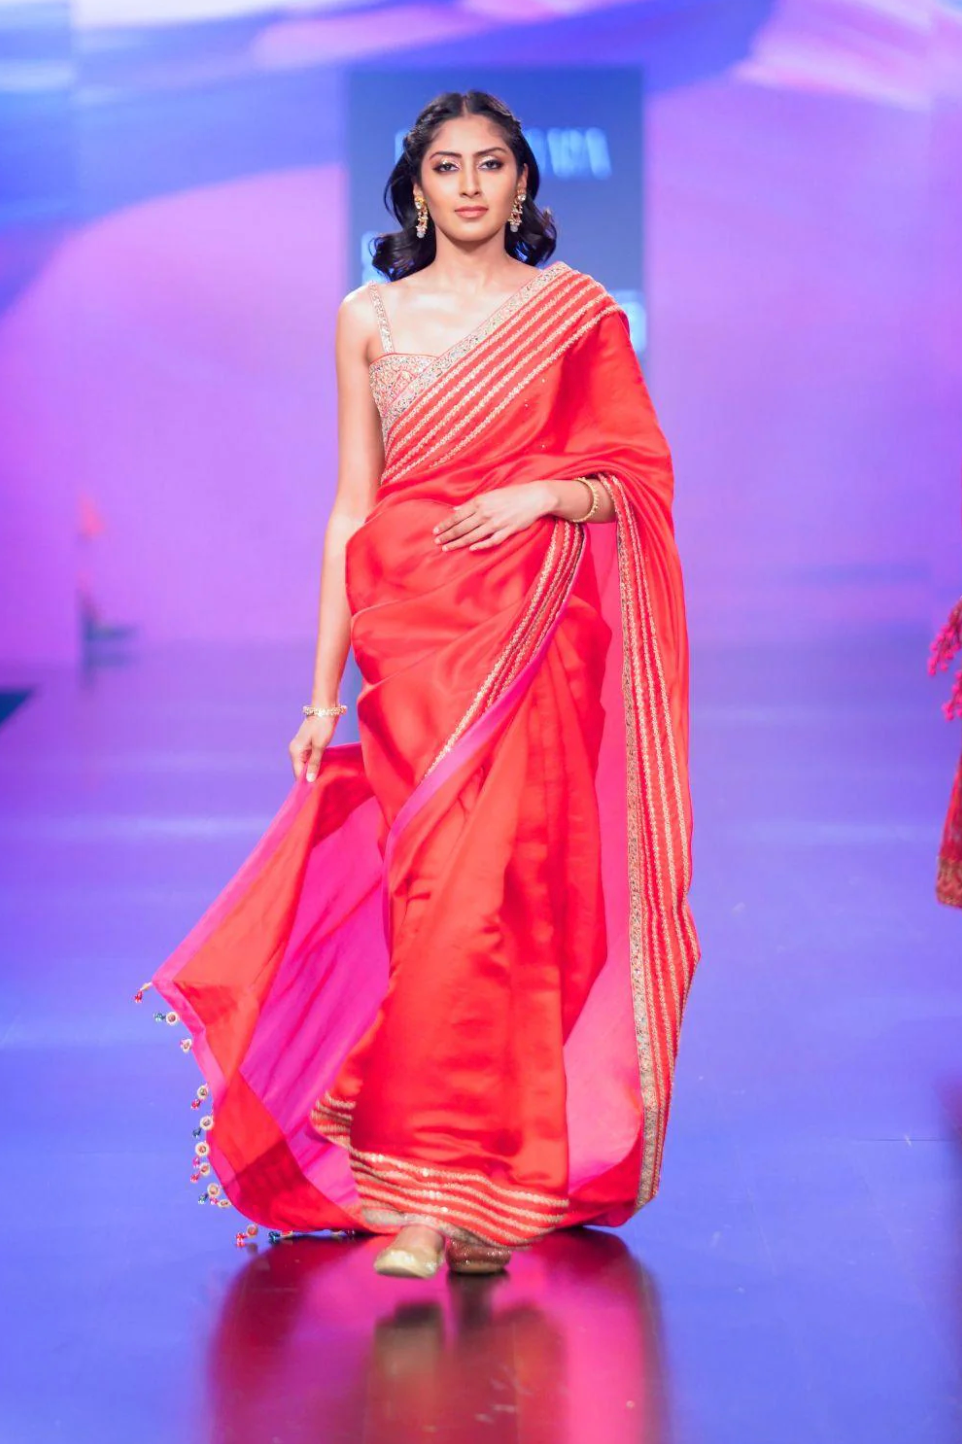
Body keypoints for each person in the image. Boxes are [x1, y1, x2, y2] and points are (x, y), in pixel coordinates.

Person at [141, 89, 701, 1280]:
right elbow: (352, 505)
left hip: (533, 631)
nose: (468, 186)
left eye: (490, 165)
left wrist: (544, 494)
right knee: (437, 898)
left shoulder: (574, 314)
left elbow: (636, 478)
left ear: (522, 181)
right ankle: (448, 1181)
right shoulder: (367, 317)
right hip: (410, 640)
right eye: (446, 166)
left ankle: (453, 1196)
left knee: (515, 904)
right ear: (413, 187)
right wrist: (319, 693)